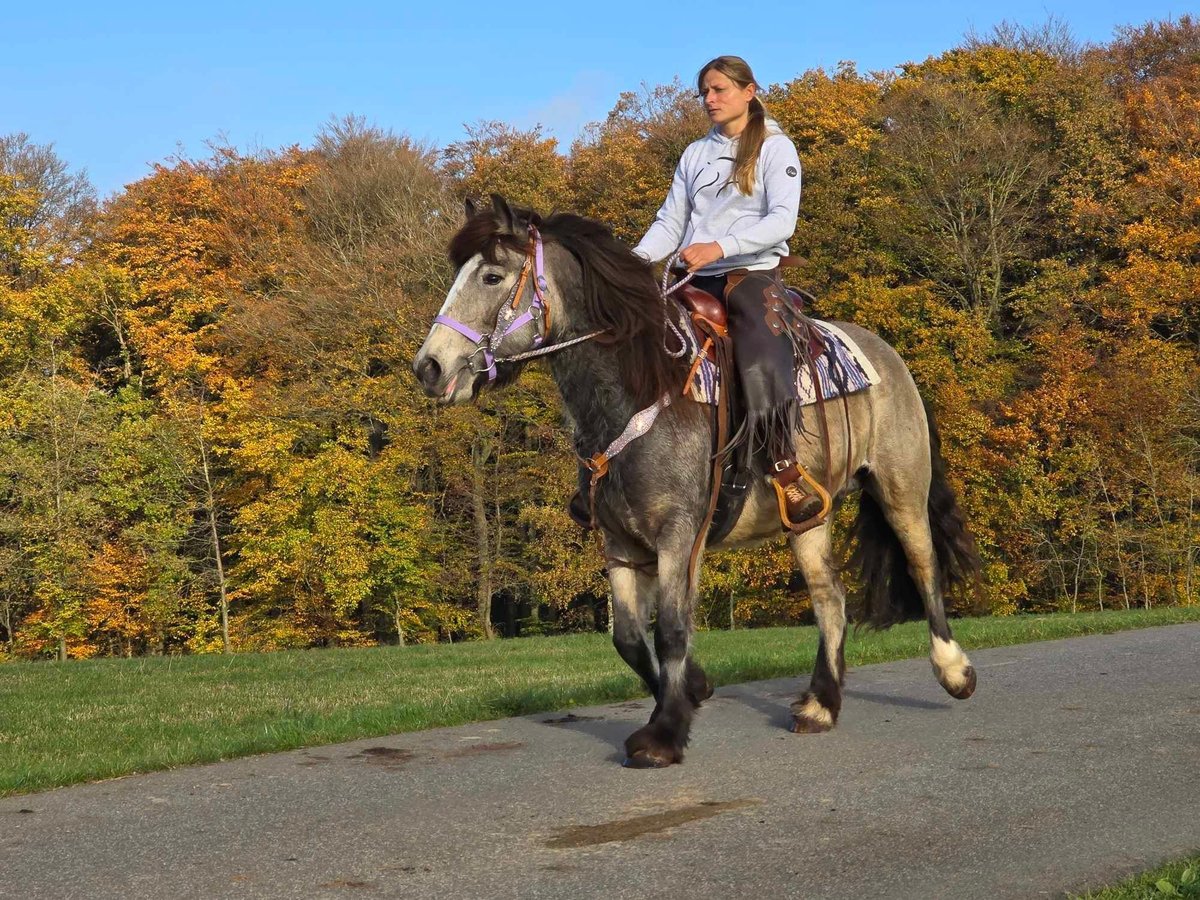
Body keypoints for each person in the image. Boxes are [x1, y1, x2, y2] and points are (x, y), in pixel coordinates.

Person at [631, 55, 823, 526]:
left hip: (749, 274)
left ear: (749, 91)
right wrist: (631, 263)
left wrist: (720, 246)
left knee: (758, 352)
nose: (710, 100)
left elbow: (783, 220)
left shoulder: (776, 149)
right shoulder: (695, 153)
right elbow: (670, 222)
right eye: (705, 93)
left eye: (719, 90)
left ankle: (783, 466)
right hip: (690, 277)